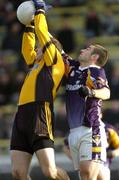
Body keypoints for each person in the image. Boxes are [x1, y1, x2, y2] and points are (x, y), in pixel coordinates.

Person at [10, 0, 70, 180]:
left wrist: (40, 12)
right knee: (18, 173)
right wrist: (28, 26)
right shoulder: (37, 63)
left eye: (39, 47)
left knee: (50, 172)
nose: (36, 48)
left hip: (39, 111)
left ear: (50, 47)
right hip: (22, 113)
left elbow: (43, 34)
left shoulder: (54, 61)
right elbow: (26, 51)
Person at [63, 44, 110, 180]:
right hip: (73, 131)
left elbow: (107, 92)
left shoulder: (95, 71)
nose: (82, 50)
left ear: (94, 57)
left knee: (87, 174)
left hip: (90, 129)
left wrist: (91, 92)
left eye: (88, 49)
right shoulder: (74, 67)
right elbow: (59, 50)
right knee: (88, 175)